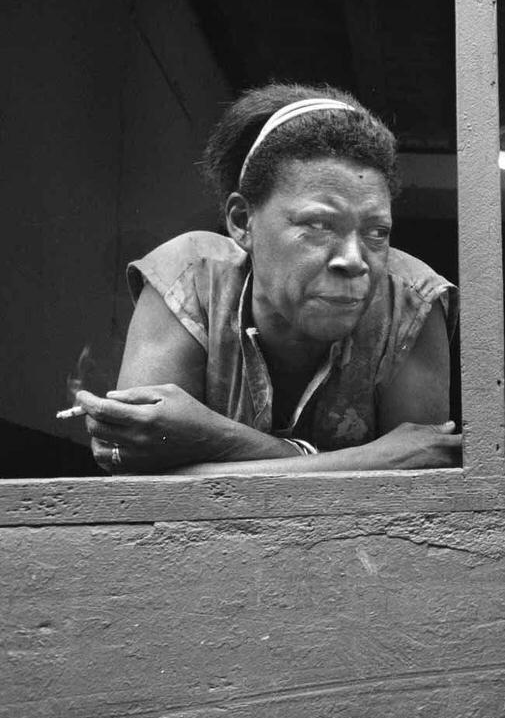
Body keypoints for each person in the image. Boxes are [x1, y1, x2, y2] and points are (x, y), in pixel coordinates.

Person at [75, 83, 461, 474]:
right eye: (318, 224)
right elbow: (136, 480)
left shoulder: (413, 302)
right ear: (243, 222)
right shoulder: (187, 277)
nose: (354, 260)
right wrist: (376, 459)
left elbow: (417, 493)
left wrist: (211, 439)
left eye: (376, 232)